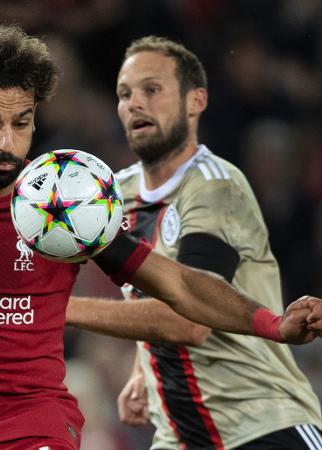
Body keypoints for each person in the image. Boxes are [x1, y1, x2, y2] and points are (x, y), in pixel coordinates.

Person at [0, 25, 321, 450]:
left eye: (23, 122)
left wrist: (272, 324)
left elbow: (178, 285)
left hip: (31, 429)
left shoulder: (65, 200)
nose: (7, 143)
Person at [66, 36, 322, 450]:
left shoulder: (217, 187)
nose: (134, 104)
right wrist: (142, 367)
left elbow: (190, 318)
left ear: (195, 101)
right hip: (179, 435)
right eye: (124, 94)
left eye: (152, 89)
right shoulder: (115, 192)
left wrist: (59, 308)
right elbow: (148, 292)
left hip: (263, 425)